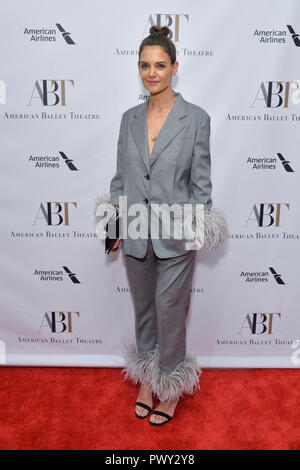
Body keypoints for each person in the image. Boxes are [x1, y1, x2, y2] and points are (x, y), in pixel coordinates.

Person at [95, 25, 228, 425]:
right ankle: (148, 379)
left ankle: (170, 384)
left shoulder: (196, 119)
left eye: (160, 65)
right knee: (144, 312)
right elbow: (121, 178)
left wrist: (196, 230)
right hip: (135, 231)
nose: (152, 73)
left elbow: (201, 183)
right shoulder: (128, 119)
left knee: (171, 312)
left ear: (174, 67)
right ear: (138, 68)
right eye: (145, 65)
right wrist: (113, 227)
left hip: (176, 234)